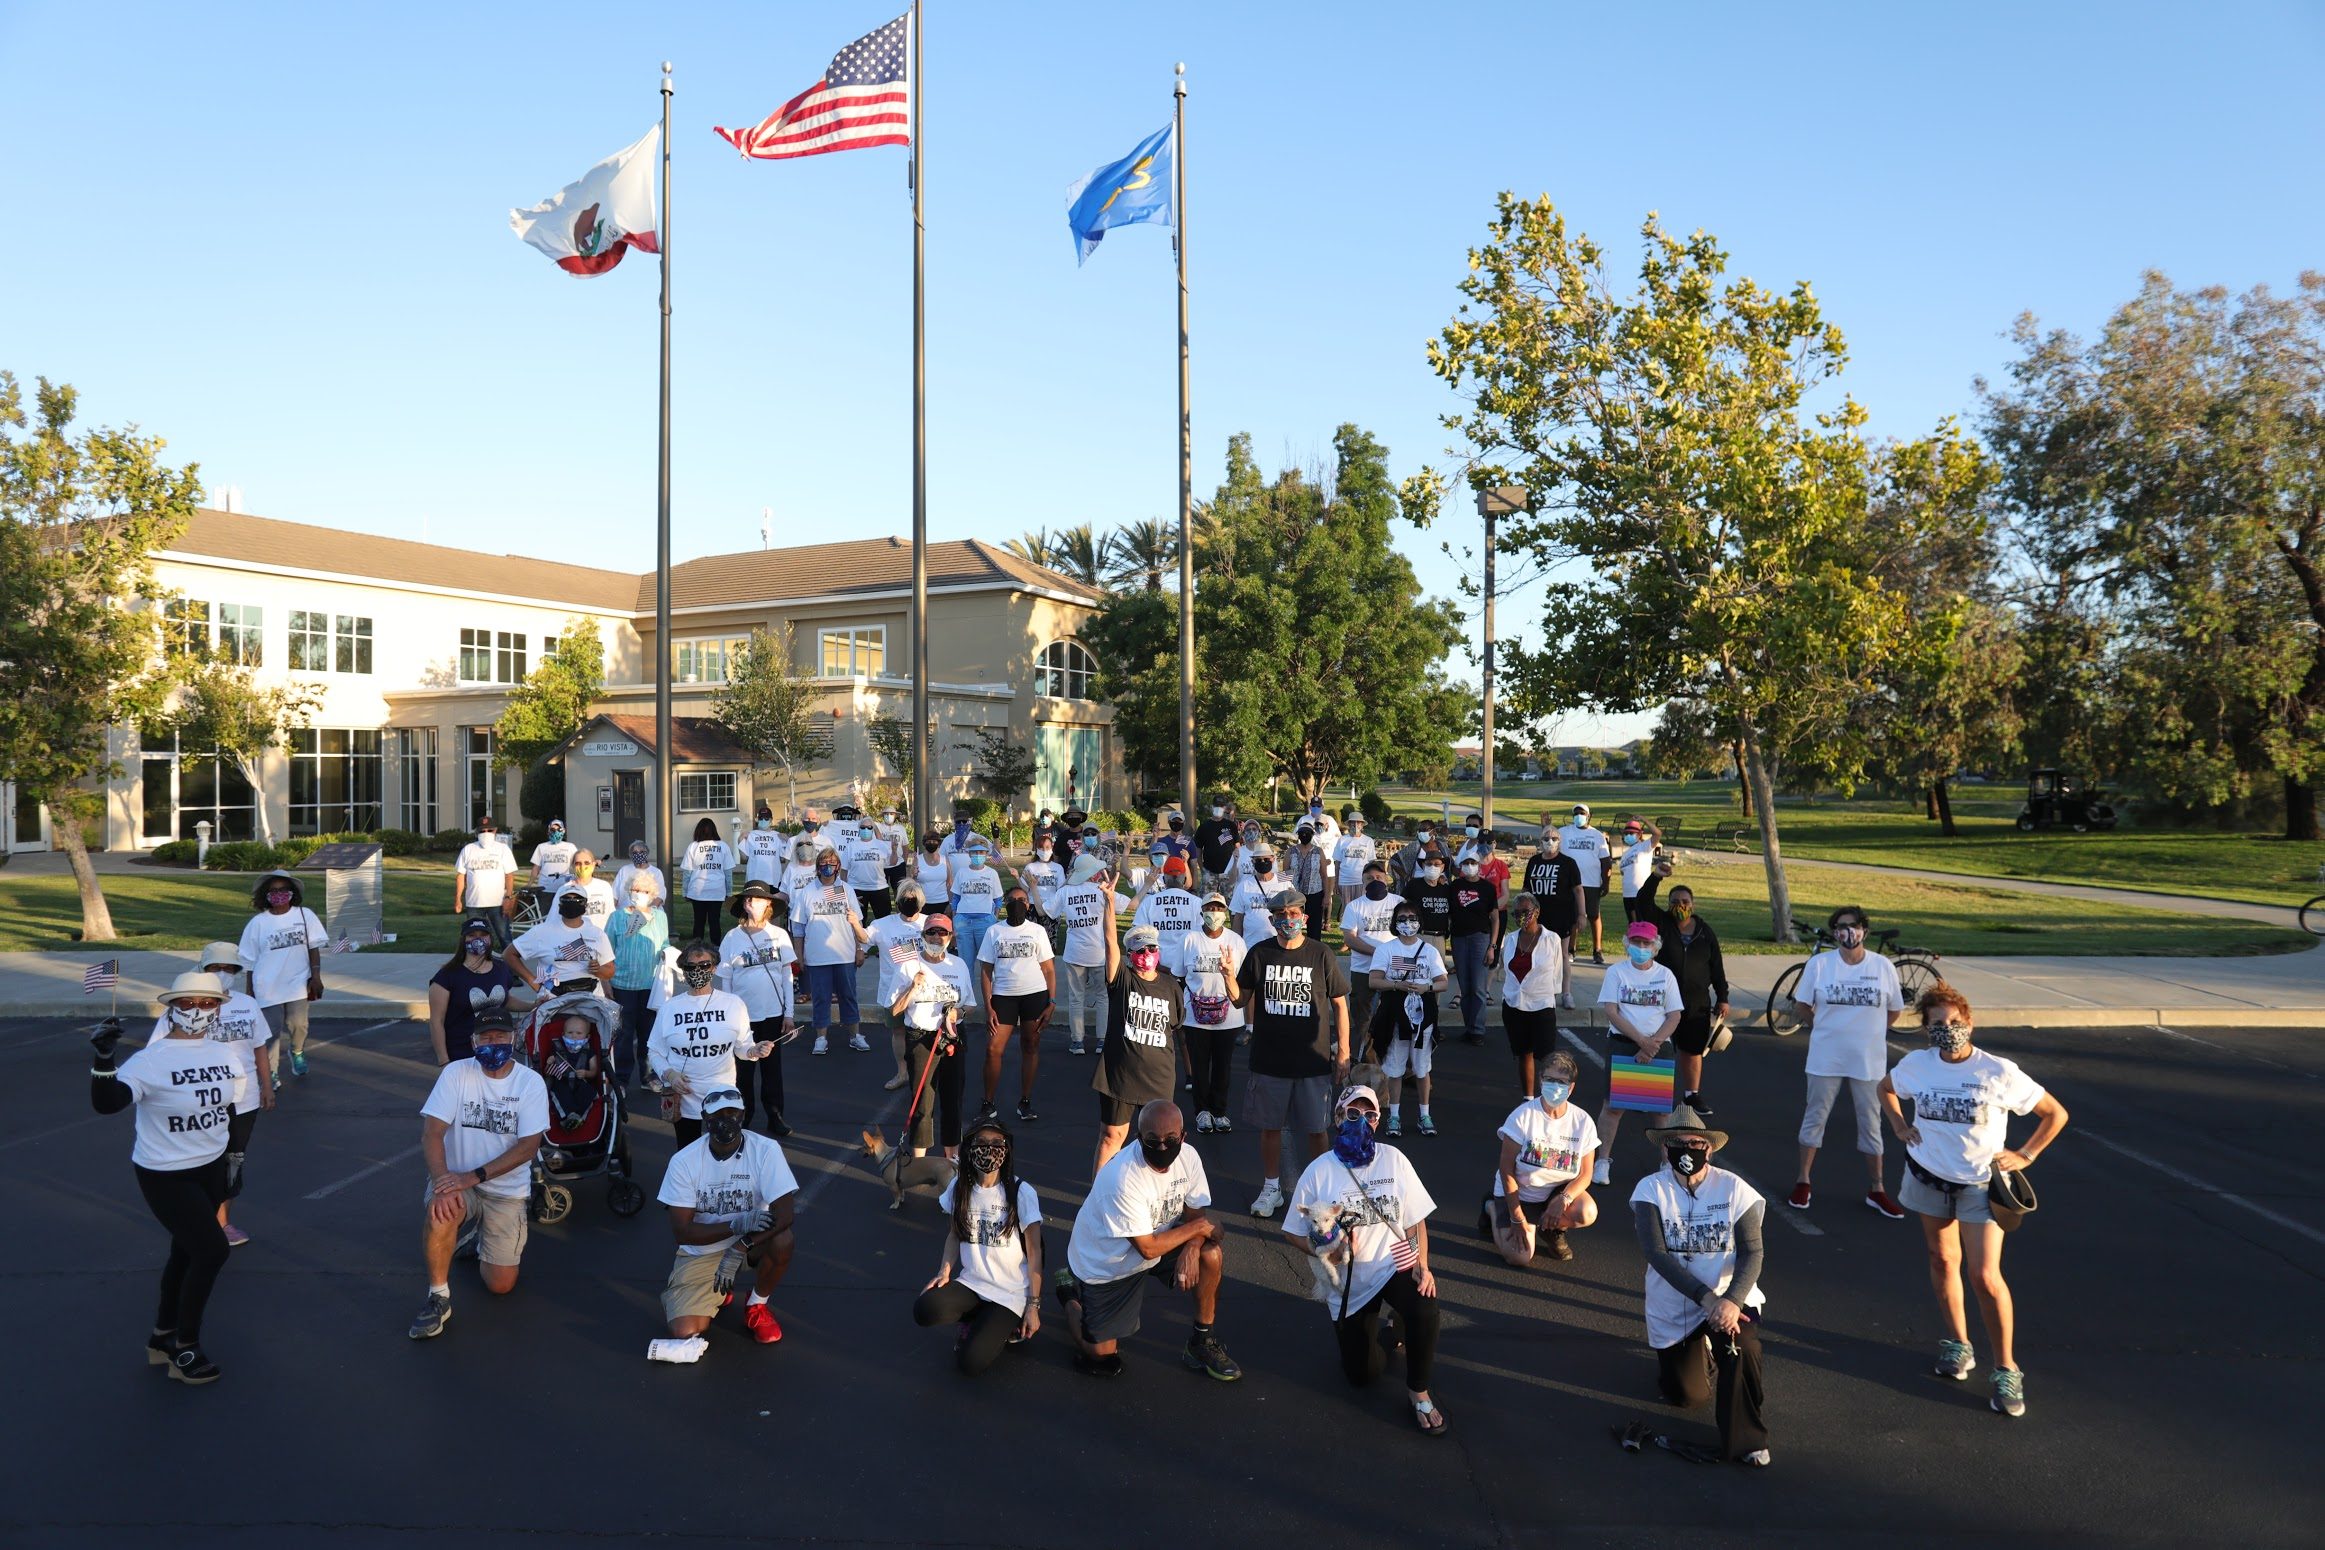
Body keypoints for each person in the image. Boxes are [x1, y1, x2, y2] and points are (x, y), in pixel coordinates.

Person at [1880, 983, 2069, 1419]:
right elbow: (1885, 1089)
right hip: (1927, 1176)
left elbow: (2054, 1113)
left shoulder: (1998, 1071)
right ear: (1925, 1029)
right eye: (1938, 1024)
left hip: (1981, 1186)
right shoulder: (1917, 1065)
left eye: (1955, 1022)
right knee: (1942, 1260)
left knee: (1985, 1276)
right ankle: (1958, 1345)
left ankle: (2006, 1367)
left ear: (1970, 1023)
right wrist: (1898, 1125)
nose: (1948, 1030)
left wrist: (2026, 1155)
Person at [88, 972, 246, 1384]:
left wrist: (233, 1159)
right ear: (172, 1007)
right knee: (212, 1251)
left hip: (210, 1167)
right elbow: (109, 1104)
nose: (198, 1011)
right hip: (165, 1173)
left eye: (208, 1004)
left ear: (219, 1010)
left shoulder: (224, 1054)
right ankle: (185, 1348)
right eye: (189, 1003)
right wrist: (104, 1061)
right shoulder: (150, 1060)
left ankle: (162, 1336)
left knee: (186, 1252)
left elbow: (229, 1110)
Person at [1284, 1083, 1446, 1435]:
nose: (1361, 1121)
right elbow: (1292, 1231)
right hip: (1351, 1283)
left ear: (1377, 1122)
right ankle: (1387, 1334)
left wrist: (1423, 1266)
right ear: (1338, 1118)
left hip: (1392, 1264)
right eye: (1353, 1114)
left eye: (1370, 1115)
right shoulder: (1319, 1171)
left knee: (1425, 1306)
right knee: (1362, 1375)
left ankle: (1418, 1391)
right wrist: (1324, 1251)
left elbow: (1416, 1219)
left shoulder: (1394, 1159)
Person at [1056, 1100, 1241, 1381]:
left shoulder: (1188, 1158)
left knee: (1209, 1253)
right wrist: (1200, 1228)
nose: (1163, 1148)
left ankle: (1202, 1343)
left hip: (1156, 1239)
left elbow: (1197, 1218)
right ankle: (1069, 1293)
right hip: (1108, 1264)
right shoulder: (1122, 1177)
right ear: (1139, 1138)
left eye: (1171, 1140)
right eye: (1153, 1141)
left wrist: (1192, 1247)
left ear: (1183, 1137)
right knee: (1102, 1358)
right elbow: (1147, 1248)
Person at [1630, 1105, 1770, 1466]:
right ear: (1665, 1148)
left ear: (1709, 1148)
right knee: (1686, 1396)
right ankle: (1698, 1352)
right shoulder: (1650, 1190)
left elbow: (1753, 1251)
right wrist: (1706, 1299)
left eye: (1695, 1142)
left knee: (1743, 1345)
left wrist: (1732, 1300)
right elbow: (1657, 1255)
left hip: (1727, 1301)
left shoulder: (1735, 1188)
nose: (1686, 1148)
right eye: (1677, 1141)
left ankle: (1746, 1439)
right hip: (1679, 1302)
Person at [408, 1008, 550, 1341]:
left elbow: (529, 1147)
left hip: (504, 1191)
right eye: (485, 1038)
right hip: (458, 1180)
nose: (493, 1044)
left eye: (500, 1037)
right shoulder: (457, 1074)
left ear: (513, 1039)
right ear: (473, 1041)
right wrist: (443, 1181)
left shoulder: (530, 1083)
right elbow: (432, 1133)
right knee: (441, 1211)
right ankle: (438, 1296)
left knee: (501, 1285)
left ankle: (479, 1237)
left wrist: (474, 1176)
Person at [1785, 905, 1907, 1217]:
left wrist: (1872, 1031)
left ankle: (1877, 1188)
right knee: (1815, 1118)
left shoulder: (1882, 967)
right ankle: (1803, 1180)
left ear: (1864, 930)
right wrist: (1824, 1026)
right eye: (1840, 926)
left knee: (1871, 1123)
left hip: (1868, 1060)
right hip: (1826, 1056)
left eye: (1852, 926)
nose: (1847, 932)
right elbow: (1802, 1005)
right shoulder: (1820, 964)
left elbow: (1894, 1009)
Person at [1235, 894, 1351, 1218]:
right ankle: (1271, 1187)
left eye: (1295, 912)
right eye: (1281, 914)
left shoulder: (1321, 954)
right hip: (1270, 1060)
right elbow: (1238, 1000)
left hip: (1312, 1061)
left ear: (1305, 917)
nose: (1289, 918)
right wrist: (1227, 976)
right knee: (1270, 1127)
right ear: (1272, 920)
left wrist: (1343, 1052)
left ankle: (1318, 1191)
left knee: (1317, 1129)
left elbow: (1341, 1004)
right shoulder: (1260, 954)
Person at [657, 1085, 799, 1348]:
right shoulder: (684, 1161)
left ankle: (757, 1304)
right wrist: (737, 1225)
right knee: (685, 1331)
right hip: (701, 1251)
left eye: (732, 1114)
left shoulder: (765, 1150)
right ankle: (715, 1292)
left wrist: (741, 1245)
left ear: (743, 1116)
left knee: (783, 1239)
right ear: (704, 1119)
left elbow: (786, 1214)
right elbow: (682, 1231)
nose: (725, 1122)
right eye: (717, 1116)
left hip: (751, 1243)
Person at [915, 1113, 1044, 1375]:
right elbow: (954, 1234)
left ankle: (1007, 1322)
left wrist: (1033, 1306)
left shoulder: (1021, 1192)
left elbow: (1035, 1252)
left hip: (1009, 1294)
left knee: (970, 1363)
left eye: (997, 1143)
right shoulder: (959, 1188)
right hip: (973, 1284)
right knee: (925, 1308)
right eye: (982, 1142)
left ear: (1006, 1151)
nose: (989, 1149)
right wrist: (944, 1271)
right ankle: (978, 1317)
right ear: (970, 1148)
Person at [185, 943, 273, 1246]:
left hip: (244, 1098)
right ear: (203, 970)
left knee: (233, 1159)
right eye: (215, 968)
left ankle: (222, 1223)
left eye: (228, 969)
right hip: (202, 1099)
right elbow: (166, 1050)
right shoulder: (188, 1005)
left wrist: (267, 1084)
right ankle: (199, 1220)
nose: (223, 974)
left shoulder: (247, 1004)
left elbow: (259, 1046)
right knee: (203, 1158)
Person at [649, 942, 777, 1146]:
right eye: (691, 967)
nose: (697, 971)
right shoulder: (669, 1008)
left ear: (714, 968)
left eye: (704, 965)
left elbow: (743, 1048)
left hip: (723, 1096)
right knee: (687, 1151)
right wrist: (670, 1075)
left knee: (725, 1151)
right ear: (683, 970)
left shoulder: (733, 1004)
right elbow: (655, 1051)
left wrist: (755, 1050)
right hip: (683, 1097)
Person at [1631, 868, 1732, 1117]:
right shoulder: (1662, 923)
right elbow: (1642, 901)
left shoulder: (1705, 932)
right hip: (1661, 999)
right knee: (1654, 1045)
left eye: (1685, 902)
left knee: (1692, 1051)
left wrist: (1723, 996)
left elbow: (1716, 966)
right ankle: (1647, 1094)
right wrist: (1656, 877)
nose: (1680, 906)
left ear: (1693, 904)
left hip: (1695, 1002)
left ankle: (1691, 1095)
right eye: (1675, 902)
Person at [1484, 1050, 1599, 1267]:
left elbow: (1586, 1174)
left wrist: (1562, 1200)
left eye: (1562, 1082)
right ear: (1540, 1080)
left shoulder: (1583, 1121)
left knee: (1587, 1212)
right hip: (1520, 1195)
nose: (1555, 1087)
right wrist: (1517, 1217)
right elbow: (1506, 1170)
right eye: (1550, 1080)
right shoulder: (1522, 1116)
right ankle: (1492, 1209)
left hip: (1554, 1195)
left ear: (1571, 1087)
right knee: (1519, 1258)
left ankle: (1551, 1228)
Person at [1592, 922, 1684, 1188]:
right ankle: (1603, 1161)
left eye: (1646, 943)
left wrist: (1652, 1044)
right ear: (1627, 943)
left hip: (1657, 1047)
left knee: (1661, 1111)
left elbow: (1674, 1015)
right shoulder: (1616, 972)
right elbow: (1611, 1011)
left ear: (1655, 947)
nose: (1641, 948)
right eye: (1636, 942)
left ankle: (1667, 1162)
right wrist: (1642, 1042)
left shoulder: (1665, 975)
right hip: (1624, 1043)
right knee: (1613, 1106)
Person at [1092, 921, 1184, 1176]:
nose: (1147, 955)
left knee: (1159, 1142)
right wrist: (1109, 903)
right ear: (1130, 955)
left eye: (1151, 949)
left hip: (1159, 1078)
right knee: (1112, 1136)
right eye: (1140, 951)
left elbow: (1173, 1025)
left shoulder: (1171, 986)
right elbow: (1110, 942)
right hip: (1120, 1075)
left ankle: (1153, 1197)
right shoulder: (1122, 980)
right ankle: (1099, 1200)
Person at [717, 881, 798, 1138]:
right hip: (743, 1017)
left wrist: (789, 1013)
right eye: (748, 899)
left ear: (768, 905)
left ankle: (776, 1116)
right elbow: (726, 979)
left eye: (758, 899)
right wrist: (729, 1015)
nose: (751, 902)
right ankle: (743, 1117)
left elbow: (787, 977)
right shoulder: (732, 938)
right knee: (743, 1071)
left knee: (772, 1069)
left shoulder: (779, 935)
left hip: (773, 1012)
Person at [890, 914, 973, 1164]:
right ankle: (919, 1162)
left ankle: (952, 1159)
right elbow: (894, 1009)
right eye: (931, 932)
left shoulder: (958, 965)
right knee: (922, 1102)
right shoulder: (908, 966)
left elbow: (970, 1005)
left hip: (952, 1037)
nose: (937, 937)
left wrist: (959, 1012)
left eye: (943, 933)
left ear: (950, 937)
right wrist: (912, 987)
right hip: (921, 1039)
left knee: (952, 1099)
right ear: (923, 935)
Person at [1366, 903, 1447, 1139]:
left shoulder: (1429, 951)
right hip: (1395, 1015)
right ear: (1395, 922)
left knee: (1422, 1068)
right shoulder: (1386, 949)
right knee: (1395, 1067)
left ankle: (1425, 1114)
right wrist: (1396, 985)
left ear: (1419, 921)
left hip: (1423, 1016)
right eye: (1402, 918)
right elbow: (1374, 980)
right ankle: (1394, 1115)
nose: (1408, 922)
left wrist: (1427, 987)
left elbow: (1442, 981)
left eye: (1412, 918)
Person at [979, 883, 1057, 1122]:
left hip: (1034, 995)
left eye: (1022, 900)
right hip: (1003, 996)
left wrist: (1051, 1002)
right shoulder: (994, 931)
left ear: (1029, 904)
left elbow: (1049, 970)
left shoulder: (1037, 931)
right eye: (1012, 899)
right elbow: (985, 971)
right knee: (993, 1049)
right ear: (1004, 904)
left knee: (1030, 1046)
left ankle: (1025, 1101)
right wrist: (988, 1005)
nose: (1018, 903)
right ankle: (988, 1102)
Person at [237, 871, 324, 1080]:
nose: (278, 895)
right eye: (273, 891)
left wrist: (316, 975)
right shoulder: (258, 923)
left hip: (297, 983)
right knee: (271, 1032)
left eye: (283, 890)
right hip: (267, 985)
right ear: (265, 896)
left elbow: (314, 947)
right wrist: (249, 991)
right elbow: (249, 960)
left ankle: (297, 1052)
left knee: (299, 1025)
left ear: (292, 893)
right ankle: (271, 1072)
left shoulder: (304, 915)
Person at [795, 847, 875, 1057]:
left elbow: (856, 922)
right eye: (824, 862)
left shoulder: (847, 890)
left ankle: (855, 1035)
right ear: (818, 866)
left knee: (848, 996)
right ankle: (821, 1038)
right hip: (817, 957)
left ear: (838, 866)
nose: (828, 866)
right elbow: (798, 928)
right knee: (820, 998)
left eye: (832, 862)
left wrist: (860, 949)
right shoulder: (807, 891)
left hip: (845, 954)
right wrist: (799, 955)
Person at [1179, 893, 1245, 1135]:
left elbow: (1243, 978)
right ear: (1201, 911)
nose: (1214, 912)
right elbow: (1178, 972)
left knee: (1223, 1066)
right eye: (1209, 907)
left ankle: (1219, 1111)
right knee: (1199, 1064)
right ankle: (1202, 1111)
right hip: (1195, 1016)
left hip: (1228, 1017)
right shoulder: (1190, 939)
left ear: (1225, 912)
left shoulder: (1236, 941)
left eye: (1219, 907)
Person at [1498, 892, 1567, 1097]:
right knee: (1523, 1053)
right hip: (1514, 1005)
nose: (1521, 916)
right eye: (1516, 913)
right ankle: (1528, 1099)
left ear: (1536, 912)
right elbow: (1506, 969)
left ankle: (1548, 1098)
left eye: (1525, 912)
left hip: (1541, 1005)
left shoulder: (1551, 939)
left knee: (1546, 1057)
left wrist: (1551, 995)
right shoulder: (1510, 940)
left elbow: (1557, 971)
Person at [605, 875, 669, 1087]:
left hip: (651, 985)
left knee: (649, 1034)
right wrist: (605, 981)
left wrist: (669, 955)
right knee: (624, 1034)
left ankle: (648, 1075)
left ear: (653, 894)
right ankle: (622, 1079)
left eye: (645, 890)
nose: (639, 894)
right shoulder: (617, 917)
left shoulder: (660, 917)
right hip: (622, 984)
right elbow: (606, 951)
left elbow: (664, 944)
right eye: (635, 889)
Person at [1051, 863, 1120, 1058]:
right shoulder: (1101, 891)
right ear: (1094, 873)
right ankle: (1102, 1040)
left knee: (1076, 998)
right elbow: (1129, 905)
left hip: (1075, 953)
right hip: (1099, 953)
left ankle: (1077, 1041)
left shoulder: (1066, 891)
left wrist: (1033, 890)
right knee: (1102, 997)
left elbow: (1046, 910)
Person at [429, 917, 518, 1067]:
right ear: (463, 939)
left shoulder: (501, 969)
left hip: (496, 1052)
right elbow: (436, 1021)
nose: (478, 939)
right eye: (472, 935)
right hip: (460, 1055)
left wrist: (534, 1005)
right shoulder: (447, 976)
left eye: (483, 935)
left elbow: (505, 1000)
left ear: (490, 938)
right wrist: (443, 1060)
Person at [867, 884, 931, 1092]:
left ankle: (927, 1074)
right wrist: (852, 922)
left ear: (921, 901)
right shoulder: (881, 925)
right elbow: (862, 941)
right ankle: (902, 1072)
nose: (909, 900)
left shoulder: (930, 923)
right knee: (899, 1032)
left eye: (913, 897)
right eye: (905, 896)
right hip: (894, 990)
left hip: (925, 989)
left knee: (925, 1033)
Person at [1337, 859, 1401, 1053]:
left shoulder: (1399, 903)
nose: (1375, 880)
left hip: (1394, 969)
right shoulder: (1354, 906)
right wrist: (1379, 953)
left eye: (1379, 877)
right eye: (1370, 878)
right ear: (1363, 881)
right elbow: (1350, 939)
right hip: (1363, 969)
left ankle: (1390, 1061)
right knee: (1362, 1019)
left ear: (1386, 879)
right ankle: (1358, 1059)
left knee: (1393, 1018)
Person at [506, 887, 614, 998]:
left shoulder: (597, 934)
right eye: (566, 899)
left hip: (590, 997)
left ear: (585, 905)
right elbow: (509, 954)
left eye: (577, 900)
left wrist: (598, 970)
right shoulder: (541, 931)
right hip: (553, 996)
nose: (572, 902)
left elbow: (609, 971)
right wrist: (533, 982)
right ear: (559, 905)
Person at [1447, 849, 1502, 1045]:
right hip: (1459, 938)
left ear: (1479, 866)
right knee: (1465, 986)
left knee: (1478, 987)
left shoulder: (1487, 888)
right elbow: (1450, 913)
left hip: (1480, 938)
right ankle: (1469, 1027)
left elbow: (1495, 918)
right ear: (1461, 866)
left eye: (1473, 863)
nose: (1470, 866)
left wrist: (1492, 946)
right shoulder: (1455, 886)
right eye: (1466, 863)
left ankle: (1478, 1030)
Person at [1521, 824, 1586, 973]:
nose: (1550, 841)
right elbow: (1526, 888)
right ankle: (1538, 987)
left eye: (1554, 838)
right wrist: (1522, 910)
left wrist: (1582, 914)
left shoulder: (1568, 863)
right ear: (1540, 841)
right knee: (1536, 953)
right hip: (1537, 916)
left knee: (1562, 955)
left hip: (1561, 916)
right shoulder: (1534, 862)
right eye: (1546, 838)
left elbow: (1578, 889)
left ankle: (1566, 991)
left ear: (1559, 841)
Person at [1555, 803, 1612, 964]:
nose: (1578, 816)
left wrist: (1606, 882)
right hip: (1569, 883)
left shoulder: (1597, 835)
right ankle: (1571, 949)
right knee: (1573, 917)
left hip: (1591, 882)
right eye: (1576, 813)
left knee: (1594, 916)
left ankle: (1597, 950)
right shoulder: (1564, 832)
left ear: (1589, 815)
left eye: (1582, 813)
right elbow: (1551, 843)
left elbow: (1606, 861)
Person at [453, 817, 519, 950]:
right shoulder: (468, 849)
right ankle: (476, 967)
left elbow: (509, 875)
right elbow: (461, 876)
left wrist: (508, 897)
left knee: (504, 937)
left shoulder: (502, 849)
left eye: (489, 830)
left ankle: (511, 969)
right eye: (482, 831)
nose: (486, 833)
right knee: (474, 939)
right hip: (474, 903)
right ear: (477, 832)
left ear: (495, 831)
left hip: (497, 903)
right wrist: (458, 899)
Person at [1131, 856, 1203, 976]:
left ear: (1164, 878)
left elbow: (1137, 933)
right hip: (1188, 966)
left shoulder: (1150, 902)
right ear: (1184, 878)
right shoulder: (1197, 902)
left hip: (1157, 966)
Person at [949, 836, 1006, 973]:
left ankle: (990, 994)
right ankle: (968, 994)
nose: (978, 855)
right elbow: (955, 899)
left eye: (981, 852)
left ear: (986, 854)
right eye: (974, 852)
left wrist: (994, 917)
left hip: (985, 921)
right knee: (965, 964)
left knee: (987, 963)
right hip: (963, 922)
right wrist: (955, 919)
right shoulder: (962, 873)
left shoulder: (992, 874)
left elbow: (998, 899)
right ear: (969, 853)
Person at [680, 818, 737, 941]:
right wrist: (729, 892)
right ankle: (716, 949)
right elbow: (728, 873)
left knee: (698, 922)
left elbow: (687, 873)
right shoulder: (723, 846)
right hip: (717, 890)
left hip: (697, 891)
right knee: (715, 921)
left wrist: (685, 891)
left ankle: (696, 949)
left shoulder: (693, 846)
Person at [843, 816, 894, 922]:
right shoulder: (851, 846)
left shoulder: (881, 845)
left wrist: (894, 851)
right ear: (859, 829)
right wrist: (846, 892)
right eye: (863, 827)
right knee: (857, 921)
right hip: (856, 889)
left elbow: (892, 862)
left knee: (884, 920)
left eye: (869, 827)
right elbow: (843, 870)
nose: (866, 830)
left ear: (873, 829)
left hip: (879, 889)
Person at [1616, 819, 1662, 924]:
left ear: (1639, 834)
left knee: (1644, 924)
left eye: (1631, 833)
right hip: (1627, 895)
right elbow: (1623, 872)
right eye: (1626, 833)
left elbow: (1657, 834)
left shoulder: (1644, 847)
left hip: (1641, 893)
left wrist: (1643, 819)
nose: (1628, 835)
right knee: (1633, 925)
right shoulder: (1625, 853)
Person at [1193, 796, 1240, 896]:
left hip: (1228, 871)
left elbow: (1237, 847)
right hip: (1209, 872)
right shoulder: (1204, 826)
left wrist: (1235, 866)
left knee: (1231, 904)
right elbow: (1198, 849)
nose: (1219, 808)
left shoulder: (1231, 825)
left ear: (1225, 808)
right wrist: (1202, 868)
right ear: (1212, 807)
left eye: (1221, 806)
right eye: (1216, 806)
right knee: (1206, 902)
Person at [1288, 825, 1331, 928]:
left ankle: (1315, 943)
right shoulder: (1290, 851)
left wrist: (1327, 896)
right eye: (1301, 833)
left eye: (1307, 833)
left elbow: (1324, 875)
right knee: (1294, 924)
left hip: (1315, 893)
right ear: (1298, 835)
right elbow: (1285, 874)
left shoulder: (1318, 851)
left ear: (1312, 835)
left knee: (1314, 925)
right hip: (1295, 894)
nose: (1304, 835)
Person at [738, 805, 789, 889]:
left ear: (771, 820)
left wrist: (787, 840)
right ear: (757, 819)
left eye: (766, 818)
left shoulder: (778, 836)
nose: (763, 820)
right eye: (761, 818)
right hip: (754, 880)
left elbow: (784, 859)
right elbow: (744, 858)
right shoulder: (750, 835)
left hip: (773, 880)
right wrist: (740, 840)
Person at [612, 839, 667, 909]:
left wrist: (649, 912)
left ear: (647, 853)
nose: (638, 854)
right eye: (634, 853)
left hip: (648, 912)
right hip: (625, 911)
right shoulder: (624, 870)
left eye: (641, 852)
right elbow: (615, 894)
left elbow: (660, 896)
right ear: (630, 855)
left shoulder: (656, 872)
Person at [912, 831, 954, 912]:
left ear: (938, 843)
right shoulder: (917, 859)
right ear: (924, 843)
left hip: (943, 903)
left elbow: (949, 883)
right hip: (922, 904)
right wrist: (913, 875)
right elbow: (911, 882)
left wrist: (951, 903)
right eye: (929, 841)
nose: (932, 843)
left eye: (934, 841)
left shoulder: (944, 859)